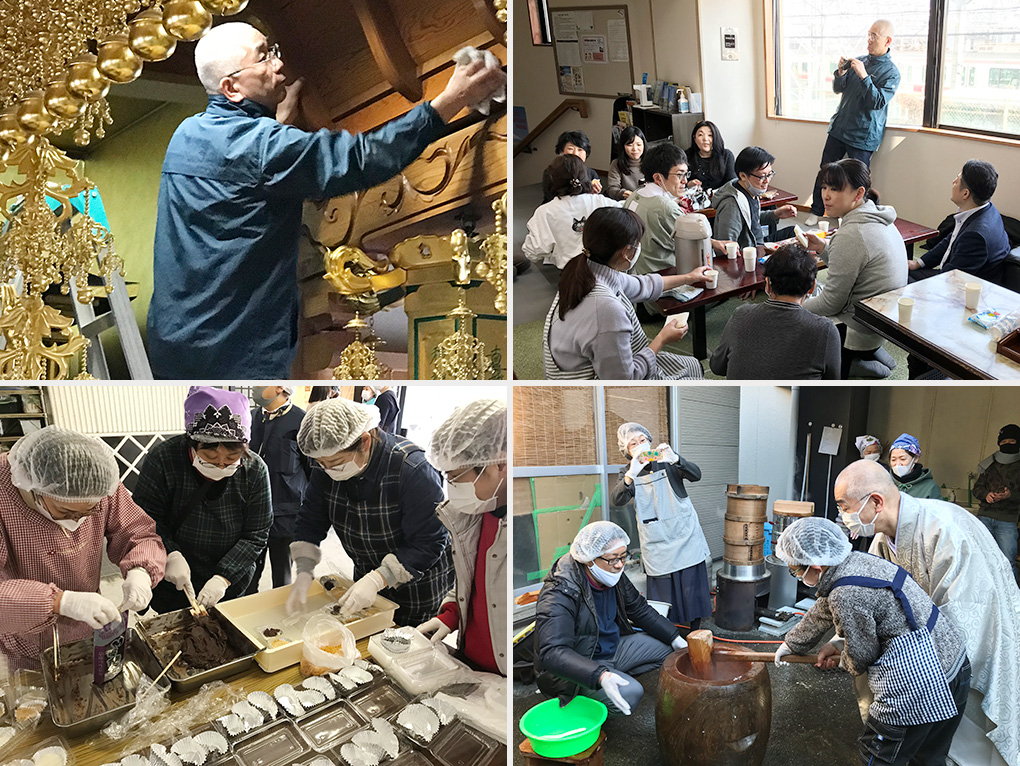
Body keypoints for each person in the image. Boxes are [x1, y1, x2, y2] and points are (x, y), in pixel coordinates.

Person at [146, 22, 506, 379]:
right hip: (233, 353)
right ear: (232, 87)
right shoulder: (262, 148)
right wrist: (452, 99)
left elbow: (246, 170)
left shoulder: (187, 134)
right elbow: (363, 158)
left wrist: (279, 124)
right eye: (264, 58)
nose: (279, 64)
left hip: (174, 345)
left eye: (274, 51)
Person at [834, 459, 1020, 766]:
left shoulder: (943, 531)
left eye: (844, 506)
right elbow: (867, 598)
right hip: (920, 644)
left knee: (956, 735)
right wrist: (841, 643)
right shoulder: (884, 536)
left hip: (966, 640)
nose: (844, 516)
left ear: (876, 502)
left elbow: (962, 617)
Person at [774, 517, 970, 766]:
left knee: (877, 758)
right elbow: (824, 607)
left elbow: (862, 655)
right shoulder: (855, 562)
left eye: (796, 571)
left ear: (817, 565)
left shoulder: (845, 594)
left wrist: (843, 660)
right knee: (927, 758)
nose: (797, 576)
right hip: (954, 664)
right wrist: (793, 644)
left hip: (919, 681)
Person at [0, 427, 166, 671]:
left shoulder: (96, 480)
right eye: (66, 512)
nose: (78, 521)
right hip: (26, 636)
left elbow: (136, 532)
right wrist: (59, 602)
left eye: (90, 511)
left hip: (89, 630)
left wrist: (141, 570)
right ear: (32, 487)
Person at [287, 398, 454, 627]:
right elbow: (310, 519)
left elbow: (429, 542)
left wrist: (379, 579)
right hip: (365, 573)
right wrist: (304, 570)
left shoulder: (412, 469)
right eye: (320, 463)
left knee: (404, 643)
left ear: (365, 441)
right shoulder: (326, 468)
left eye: (335, 462)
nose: (327, 470)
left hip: (417, 584)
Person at [135, 387, 272, 612]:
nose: (221, 464)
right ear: (192, 443)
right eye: (210, 456)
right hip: (174, 582)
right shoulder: (163, 460)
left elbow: (256, 534)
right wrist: (170, 553)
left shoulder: (255, 470)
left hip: (230, 582)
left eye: (231, 457)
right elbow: (146, 518)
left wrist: (224, 577)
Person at [534, 521, 687, 716]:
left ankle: (611, 679)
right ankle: (584, 705)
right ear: (589, 559)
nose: (620, 565)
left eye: (623, 557)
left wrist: (675, 638)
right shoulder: (560, 591)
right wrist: (599, 676)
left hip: (611, 649)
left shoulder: (611, 573)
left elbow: (639, 609)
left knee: (670, 651)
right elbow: (553, 653)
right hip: (578, 665)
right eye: (613, 559)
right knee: (632, 693)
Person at [543, 207, 710, 380]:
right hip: (603, 384)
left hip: (602, 367)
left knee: (691, 365)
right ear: (626, 252)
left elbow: (643, 285)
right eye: (638, 244)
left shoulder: (585, 273)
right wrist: (662, 339)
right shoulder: (605, 309)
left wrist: (689, 277)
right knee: (693, 378)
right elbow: (625, 380)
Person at [417, 399, 507, 675]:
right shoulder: (477, 512)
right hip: (472, 662)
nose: (452, 488)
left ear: (500, 463)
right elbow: (477, 582)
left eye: (457, 477)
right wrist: (451, 613)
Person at [802, 159, 906, 379]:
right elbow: (856, 266)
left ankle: (853, 364)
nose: (826, 196)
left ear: (858, 193)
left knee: (800, 316)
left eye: (835, 189)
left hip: (858, 327)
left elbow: (831, 303)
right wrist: (823, 248)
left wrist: (795, 307)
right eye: (824, 187)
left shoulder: (852, 235)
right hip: (883, 319)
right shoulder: (880, 216)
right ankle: (870, 355)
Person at [610, 424, 711, 629]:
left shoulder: (667, 461)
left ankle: (695, 632)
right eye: (633, 443)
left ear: (649, 440)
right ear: (627, 451)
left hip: (684, 534)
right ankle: (667, 634)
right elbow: (617, 500)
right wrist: (631, 475)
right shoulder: (628, 472)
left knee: (692, 587)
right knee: (663, 595)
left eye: (642, 439)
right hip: (656, 540)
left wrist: (677, 460)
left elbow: (696, 475)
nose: (640, 445)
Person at [807, 20, 901, 226]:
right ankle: (817, 210)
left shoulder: (892, 72)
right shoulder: (858, 60)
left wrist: (864, 75)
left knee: (858, 181)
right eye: (869, 34)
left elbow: (877, 101)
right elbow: (839, 88)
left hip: (863, 136)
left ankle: (858, 219)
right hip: (840, 128)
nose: (869, 39)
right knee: (825, 171)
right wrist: (840, 72)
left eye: (874, 36)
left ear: (888, 40)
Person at [709, 244, 841, 379]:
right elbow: (833, 381)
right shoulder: (825, 330)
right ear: (812, 287)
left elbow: (717, 367)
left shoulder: (741, 315)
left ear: (767, 283)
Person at [245, 385, 314, 593]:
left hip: (286, 513)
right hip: (251, 512)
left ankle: (281, 617)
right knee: (248, 573)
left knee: (281, 574)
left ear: (280, 387)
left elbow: (312, 470)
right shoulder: (250, 417)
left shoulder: (302, 421)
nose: (255, 388)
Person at [623, 142, 730, 274]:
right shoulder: (665, 208)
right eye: (680, 175)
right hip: (665, 276)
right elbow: (696, 244)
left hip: (637, 274)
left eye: (686, 174)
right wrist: (715, 243)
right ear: (658, 177)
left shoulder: (634, 196)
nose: (685, 181)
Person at [908, 160, 1010, 284]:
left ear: (965, 193)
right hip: (956, 275)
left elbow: (950, 279)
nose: (953, 182)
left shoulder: (975, 236)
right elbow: (952, 239)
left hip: (967, 289)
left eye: (957, 180)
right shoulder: (988, 210)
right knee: (906, 271)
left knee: (899, 279)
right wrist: (918, 263)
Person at [523, 155, 621, 269]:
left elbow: (533, 252)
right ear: (585, 176)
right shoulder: (602, 201)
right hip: (606, 271)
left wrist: (555, 251)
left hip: (570, 274)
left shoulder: (545, 212)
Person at [711, 146, 797, 249]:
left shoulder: (749, 189)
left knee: (794, 232)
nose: (767, 181)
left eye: (769, 174)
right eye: (762, 176)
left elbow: (750, 218)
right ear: (743, 176)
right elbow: (726, 247)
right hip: (751, 253)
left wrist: (775, 214)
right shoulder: (731, 205)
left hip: (759, 243)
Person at [973, 423, 1020, 581]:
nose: (1007, 445)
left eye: (1011, 442)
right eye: (1003, 442)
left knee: (1007, 562)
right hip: (984, 517)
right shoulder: (989, 464)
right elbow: (977, 488)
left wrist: (1010, 495)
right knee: (979, 559)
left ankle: (1012, 600)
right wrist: (986, 495)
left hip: (1008, 520)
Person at [542, 131, 602, 202]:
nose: (575, 153)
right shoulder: (550, 172)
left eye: (580, 150)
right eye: (570, 149)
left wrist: (594, 193)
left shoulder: (592, 174)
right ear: (561, 152)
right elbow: (550, 197)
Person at [887, 433, 942, 500]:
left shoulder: (930, 487)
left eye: (902, 459)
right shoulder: (884, 483)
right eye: (893, 460)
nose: (898, 464)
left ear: (915, 458)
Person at [686, 121, 736, 191]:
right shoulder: (686, 156)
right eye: (700, 135)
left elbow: (732, 183)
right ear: (694, 139)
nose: (705, 139)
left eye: (710, 135)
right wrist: (688, 184)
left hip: (721, 198)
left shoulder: (726, 155)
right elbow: (677, 182)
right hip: (694, 198)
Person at [606, 126, 645, 200]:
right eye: (630, 145)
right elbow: (612, 189)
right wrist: (622, 193)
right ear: (623, 147)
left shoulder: (651, 161)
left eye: (639, 145)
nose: (635, 149)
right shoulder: (616, 163)